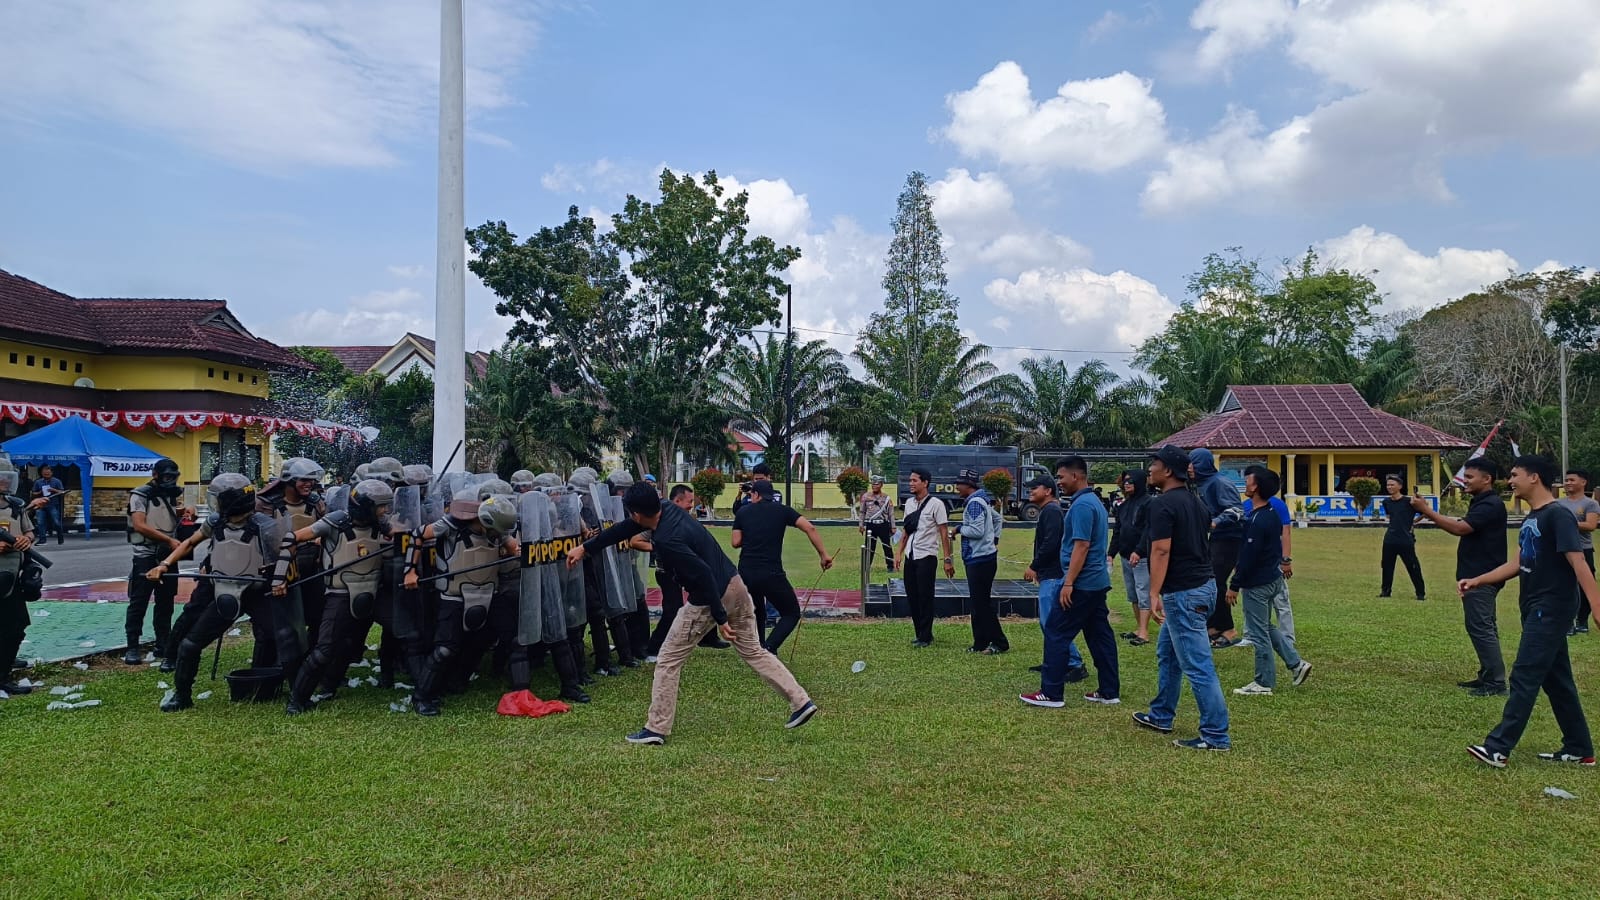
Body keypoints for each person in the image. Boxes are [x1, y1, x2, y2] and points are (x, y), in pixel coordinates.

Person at [568, 482, 817, 745]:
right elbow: (624, 529)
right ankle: (801, 701)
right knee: (754, 650)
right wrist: (586, 548)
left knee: (668, 659)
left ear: (636, 513)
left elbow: (703, 575)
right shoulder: (665, 508)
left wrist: (720, 619)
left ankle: (656, 728)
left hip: (709, 598)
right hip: (737, 584)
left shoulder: (667, 540)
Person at [1464, 455, 1599, 769]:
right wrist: (1479, 580)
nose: (1510, 481)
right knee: (1557, 680)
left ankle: (1497, 748)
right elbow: (1518, 563)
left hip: (1551, 608)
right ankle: (1579, 748)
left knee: (1525, 674)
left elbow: (1579, 563)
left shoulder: (1559, 516)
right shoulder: (1532, 518)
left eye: (1514, 475)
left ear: (1534, 477)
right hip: (1534, 607)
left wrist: (1596, 606)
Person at [150, 474, 284, 713]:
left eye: (219, 499)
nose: (215, 503)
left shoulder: (265, 526)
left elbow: (284, 556)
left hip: (258, 593)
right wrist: (164, 564)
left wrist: (279, 580)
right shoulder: (215, 522)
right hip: (224, 592)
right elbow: (190, 542)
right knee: (190, 645)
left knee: (286, 640)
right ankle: (182, 696)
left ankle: (299, 694)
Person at [1133, 445, 1231, 751]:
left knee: (1198, 664)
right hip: (1202, 586)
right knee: (1169, 654)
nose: (1150, 470)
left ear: (1170, 471)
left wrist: (1153, 592)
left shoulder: (1162, 505)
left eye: (1155, 464)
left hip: (1184, 593)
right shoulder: (1197, 502)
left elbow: (1161, 550)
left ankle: (1215, 735)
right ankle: (1161, 714)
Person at [277, 478, 393, 714]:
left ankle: (330, 686)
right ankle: (297, 700)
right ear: (366, 506)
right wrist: (280, 577)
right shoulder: (335, 521)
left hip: (373, 592)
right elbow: (292, 538)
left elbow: (406, 535)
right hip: (340, 594)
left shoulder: (382, 524)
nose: (386, 511)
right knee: (324, 650)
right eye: (381, 506)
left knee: (401, 635)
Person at [402, 489, 520, 716]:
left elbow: (513, 546)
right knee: (446, 649)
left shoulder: (497, 530)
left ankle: (458, 680)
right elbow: (417, 535)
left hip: (488, 593)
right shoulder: (451, 525)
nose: (501, 535)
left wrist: (519, 551)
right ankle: (422, 697)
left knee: (494, 638)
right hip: (453, 596)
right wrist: (410, 571)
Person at [1020, 456, 1119, 708]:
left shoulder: (1083, 505)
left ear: (1076, 476)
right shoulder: (1092, 502)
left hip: (1083, 583)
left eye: (1062, 477)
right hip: (1095, 582)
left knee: (1055, 631)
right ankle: (1109, 690)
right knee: (1099, 636)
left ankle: (1051, 693)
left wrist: (1068, 583)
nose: (1059, 482)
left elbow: (1081, 546)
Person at [1412, 458, 1508, 696]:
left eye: (1469, 477)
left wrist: (1427, 511)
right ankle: (1487, 675)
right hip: (1478, 573)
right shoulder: (1481, 502)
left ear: (1487, 479)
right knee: (1483, 625)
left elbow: (1461, 528)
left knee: (1480, 627)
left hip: (1482, 576)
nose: (1464, 481)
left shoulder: (1491, 504)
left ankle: (1495, 683)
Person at [1227, 467, 1312, 696]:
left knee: (1258, 633)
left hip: (1258, 583)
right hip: (1272, 578)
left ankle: (1263, 683)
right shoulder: (1268, 513)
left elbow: (1249, 556)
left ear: (1257, 487)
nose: (1245, 484)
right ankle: (1296, 664)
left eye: (1249, 481)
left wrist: (1235, 585)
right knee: (1265, 626)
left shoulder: (1259, 519)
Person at [732, 480, 833, 653]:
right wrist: (824, 555)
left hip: (746, 571)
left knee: (757, 611)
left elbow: (735, 542)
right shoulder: (783, 511)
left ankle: (758, 647)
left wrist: (752, 536)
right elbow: (810, 528)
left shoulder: (743, 512)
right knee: (791, 613)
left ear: (755, 494)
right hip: (771, 572)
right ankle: (769, 647)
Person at [644, 485, 731, 660]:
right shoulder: (656, 518)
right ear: (676, 501)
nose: (692, 505)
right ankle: (653, 648)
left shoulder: (684, 519)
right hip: (667, 571)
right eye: (689, 501)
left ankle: (708, 637)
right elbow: (635, 541)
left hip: (685, 570)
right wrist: (662, 547)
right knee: (673, 609)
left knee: (707, 595)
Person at [124, 458, 187, 669]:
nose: (170, 481)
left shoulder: (169, 494)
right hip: (146, 554)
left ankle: (163, 643)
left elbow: (166, 515)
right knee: (139, 602)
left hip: (167, 555)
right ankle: (132, 646)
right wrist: (168, 540)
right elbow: (139, 525)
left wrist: (185, 511)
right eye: (167, 477)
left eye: (173, 477)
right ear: (156, 475)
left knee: (166, 602)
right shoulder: (140, 494)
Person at [1022, 476, 1086, 679]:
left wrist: (1035, 566)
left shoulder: (1051, 511)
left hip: (1054, 574)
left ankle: (1074, 663)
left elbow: (1051, 543)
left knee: (1051, 622)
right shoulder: (1049, 511)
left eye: (1035, 487)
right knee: (1049, 622)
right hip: (1049, 573)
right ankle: (1055, 660)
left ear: (1048, 490)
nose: (1030, 491)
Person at [1189, 448, 1245, 647]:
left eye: (1193, 463)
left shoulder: (1219, 482)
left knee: (1217, 582)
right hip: (1215, 539)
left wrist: (1216, 522)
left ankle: (1228, 629)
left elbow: (1237, 509)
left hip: (1230, 538)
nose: (1189, 468)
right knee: (1210, 582)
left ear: (1203, 463)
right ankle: (1213, 626)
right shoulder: (1202, 484)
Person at [894, 468, 953, 647]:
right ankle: (919, 632)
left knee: (925, 596)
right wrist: (898, 553)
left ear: (925, 482)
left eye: (914, 480)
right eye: (910, 480)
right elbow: (906, 530)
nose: (911, 483)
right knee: (912, 596)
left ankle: (926, 635)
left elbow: (943, 532)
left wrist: (947, 559)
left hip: (927, 556)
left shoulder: (936, 504)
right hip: (910, 556)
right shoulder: (909, 504)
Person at [0, 463, 42, 697]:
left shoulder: (16, 506)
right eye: (1, 477)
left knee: (15, 628)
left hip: (11, 577)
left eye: (8, 477)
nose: (5, 482)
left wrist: (27, 540)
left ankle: (3, 676)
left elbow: (29, 531)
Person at [955, 468, 1006, 654]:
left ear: (968, 485)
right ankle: (980, 642)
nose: (956, 487)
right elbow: (998, 519)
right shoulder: (981, 500)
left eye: (959, 483)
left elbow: (976, 532)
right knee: (978, 604)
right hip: (983, 558)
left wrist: (959, 529)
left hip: (979, 559)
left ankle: (999, 642)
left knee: (982, 604)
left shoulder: (975, 503)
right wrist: (995, 540)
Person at [1110, 469, 1153, 645]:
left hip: (1141, 557)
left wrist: (1140, 550)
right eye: (1125, 481)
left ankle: (1144, 632)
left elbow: (1148, 531)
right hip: (1125, 555)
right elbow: (1118, 531)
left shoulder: (1148, 503)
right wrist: (1110, 554)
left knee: (1143, 592)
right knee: (1132, 594)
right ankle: (1138, 627)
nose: (1127, 484)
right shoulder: (1124, 506)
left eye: (1131, 481)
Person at [1559, 468, 1599, 634]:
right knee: (1564, 587)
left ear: (1583, 482)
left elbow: (1590, 525)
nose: (1567, 483)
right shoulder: (1558, 503)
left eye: (1571, 480)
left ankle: (1582, 621)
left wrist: (1567, 522)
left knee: (1584, 587)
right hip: (1563, 550)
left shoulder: (1590, 504)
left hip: (1584, 550)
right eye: (1566, 480)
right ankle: (1567, 623)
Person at [1376, 474, 1426, 601]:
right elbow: (1389, 516)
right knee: (1387, 566)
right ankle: (1385, 591)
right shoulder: (1386, 502)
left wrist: (1413, 522)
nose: (1389, 487)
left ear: (1400, 486)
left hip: (1405, 539)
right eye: (1388, 485)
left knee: (1413, 566)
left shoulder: (1409, 501)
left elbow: (1424, 511)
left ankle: (1420, 593)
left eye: (1392, 484)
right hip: (1390, 539)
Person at [858, 475, 896, 573]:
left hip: (883, 524)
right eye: (873, 484)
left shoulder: (886, 498)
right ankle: (866, 566)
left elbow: (891, 513)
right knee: (869, 546)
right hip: (871, 525)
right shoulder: (866, 497)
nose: (874, 486)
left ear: (881, 485)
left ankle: (890, 566)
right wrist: (861, 525)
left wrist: (893, 526)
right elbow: (862, 512)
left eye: (877, 484)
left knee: (887, 546)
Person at [30, 465, 65, 544]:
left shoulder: (56, 481)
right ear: (42, 473)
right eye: (45, 473)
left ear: (52, 473)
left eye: (48, 473)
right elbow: (33, 493)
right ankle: (42, 539)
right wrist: (40, 492)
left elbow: (62, 492)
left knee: (56, 522)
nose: (46, 475)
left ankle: (60, 535)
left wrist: (53, 490)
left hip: (53, 504)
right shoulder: (38, 482)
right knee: (40, 522)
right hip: (40, 505)